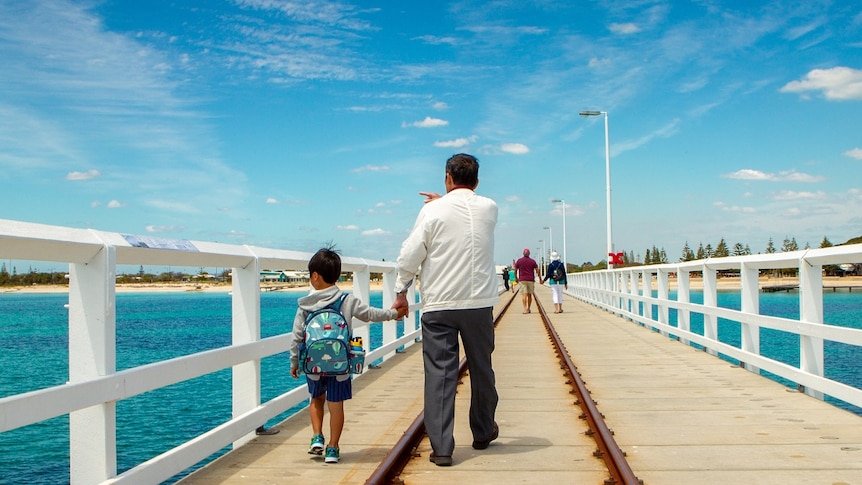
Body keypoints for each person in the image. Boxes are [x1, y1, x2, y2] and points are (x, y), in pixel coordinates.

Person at [391, 153, 499, 467]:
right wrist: (448, 201)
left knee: (440, 374)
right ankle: (482, 432)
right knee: (482, 368)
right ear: (477, 181)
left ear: (447, 178)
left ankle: (441, 448)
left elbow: (411, 253)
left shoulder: (432, 211)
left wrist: (402, 291)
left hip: (439, 305)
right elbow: (467, 213)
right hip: (478, 304)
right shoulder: (490, 208)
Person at [290, 247, 408, 464]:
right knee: (336, 406)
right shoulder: (346, 300)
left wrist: (294, 361)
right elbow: (371, 314)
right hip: (341, 365)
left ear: (315, 276)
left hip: (314, 364)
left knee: (316, 400)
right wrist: (394, 314)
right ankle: (333, 448)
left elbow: (297, 336)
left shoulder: (305, 305)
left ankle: (317, 436)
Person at [513, 248, 541, 313]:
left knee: (524, 294)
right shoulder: (533, 261)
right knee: (529, 295)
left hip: (522, 280)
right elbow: (537, 271)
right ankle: (528, 308)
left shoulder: (519, 261)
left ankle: (525, 308)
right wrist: (540, 279)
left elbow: (515, 270)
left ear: (523, 253)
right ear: (529, 254)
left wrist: (516, 278)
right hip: (530, 280)